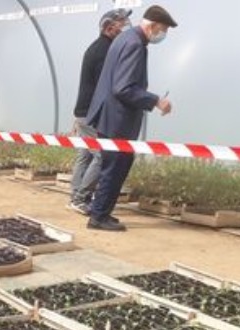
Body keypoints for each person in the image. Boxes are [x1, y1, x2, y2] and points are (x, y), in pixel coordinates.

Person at [85, 5, 177, 232]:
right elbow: (123, 88)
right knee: (115, 167)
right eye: (163, 29)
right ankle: (98, 216)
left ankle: (102, 212)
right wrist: (156, 101)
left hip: (110, 116)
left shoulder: (125, 38)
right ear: (152, 26)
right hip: (117, 119)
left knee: (115, 165)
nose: (163, 35)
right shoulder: (135, 44)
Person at [67, 9, 133, 216]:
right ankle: (81, 198)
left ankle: (75, 197)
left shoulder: (97, 47)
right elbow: (104, 87)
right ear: (109, 28)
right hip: (91, 112)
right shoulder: (104, 52)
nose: (125, 28)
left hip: (83, 111)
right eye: (121, 24)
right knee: (101, 155)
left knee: (85, 155)